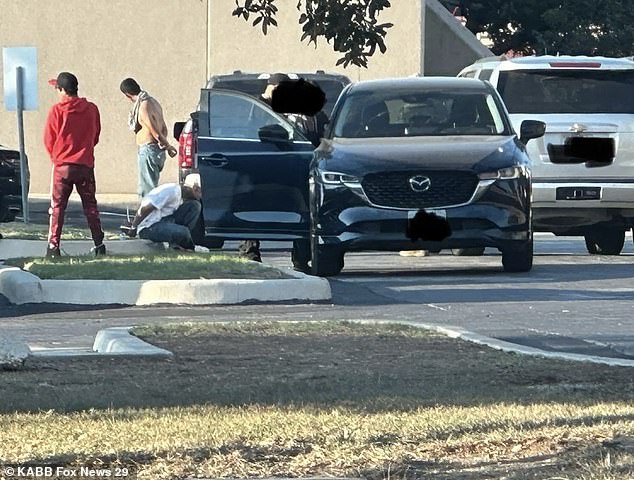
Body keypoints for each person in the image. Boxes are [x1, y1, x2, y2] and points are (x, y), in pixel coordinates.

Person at [43, 72, 105, 258]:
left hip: (63, 166)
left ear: (62, 90)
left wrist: (56, 156)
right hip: (85, 164)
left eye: (57, 89)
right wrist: (84, 149)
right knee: (90, 206)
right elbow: (95, 135)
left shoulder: (57, 111)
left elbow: (48, 139)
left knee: (57, 207)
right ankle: (99, 244)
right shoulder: (92, 109)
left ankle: (53, 247)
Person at [119, 78, 178, 199]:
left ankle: (148, 217)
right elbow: (164, 128)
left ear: (127, 95)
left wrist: (168, 147)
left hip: (149, 150)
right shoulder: (154, 102)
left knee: (147, 192)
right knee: (151, 187)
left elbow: (155, 132)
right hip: (156, 151)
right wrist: (164, 145)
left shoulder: (143, 107)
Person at [123, 173, 202, 251]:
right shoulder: (172, 191)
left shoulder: (181, 196)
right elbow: (145, 208)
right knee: (184, 232)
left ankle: (178, 243)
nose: (201, 196)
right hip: (149, 226)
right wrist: (134, 227)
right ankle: (189, 247)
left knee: (195, 206)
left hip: (164, 221)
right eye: (200, 192)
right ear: (195, 188)